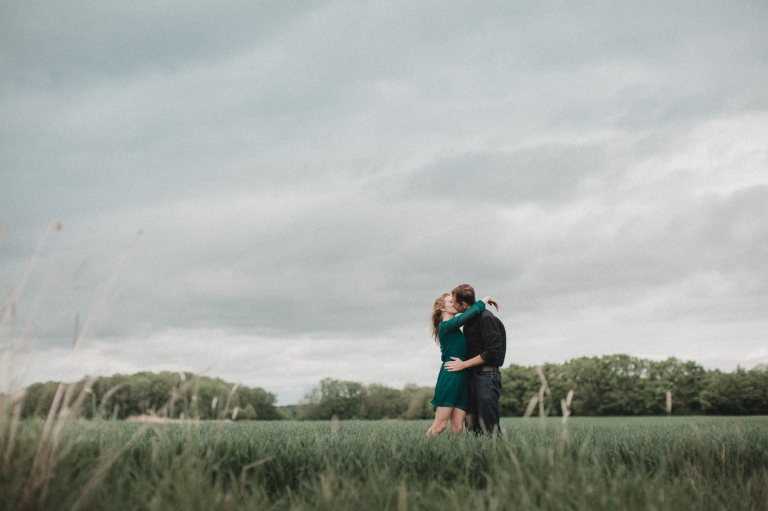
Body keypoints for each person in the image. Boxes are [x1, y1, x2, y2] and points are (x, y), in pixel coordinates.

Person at [427, 292, 499, 437]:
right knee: (440, 426)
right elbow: (469, 314)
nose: (454, 304)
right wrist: (484, 299)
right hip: (450, 376)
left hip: (463, 377)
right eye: (450, 302)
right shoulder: (446, 326)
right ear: (442, 308)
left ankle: (456, 457)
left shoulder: (456, 329)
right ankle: (421, 453)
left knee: (458, 428)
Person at [444, 284, 506, 435]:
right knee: (473, 426)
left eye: (454, 302)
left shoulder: (487, 318)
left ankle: (496, 456)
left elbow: (492, 351)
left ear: (464, 304)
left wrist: (463, 364)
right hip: (472, 376)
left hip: (487, 377)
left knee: (489, 426)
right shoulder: (469, 320)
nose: (453, 305)